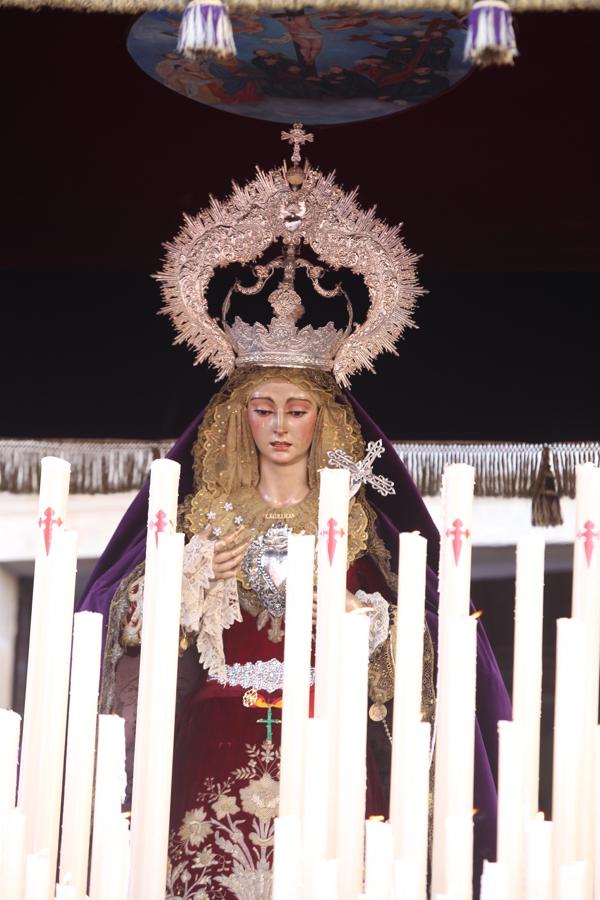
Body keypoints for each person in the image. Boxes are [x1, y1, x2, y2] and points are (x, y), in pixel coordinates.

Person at [78, 125, 511, 899]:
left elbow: (419, 646)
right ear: (239, 416)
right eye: (264, 408)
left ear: (326, 418)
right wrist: (183, 577)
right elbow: (115, 620)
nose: (279, 426)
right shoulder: (205, 513)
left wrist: (358, 614)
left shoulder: (358, 524)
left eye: (297, 410)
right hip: (213, 745)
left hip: (328, 743)